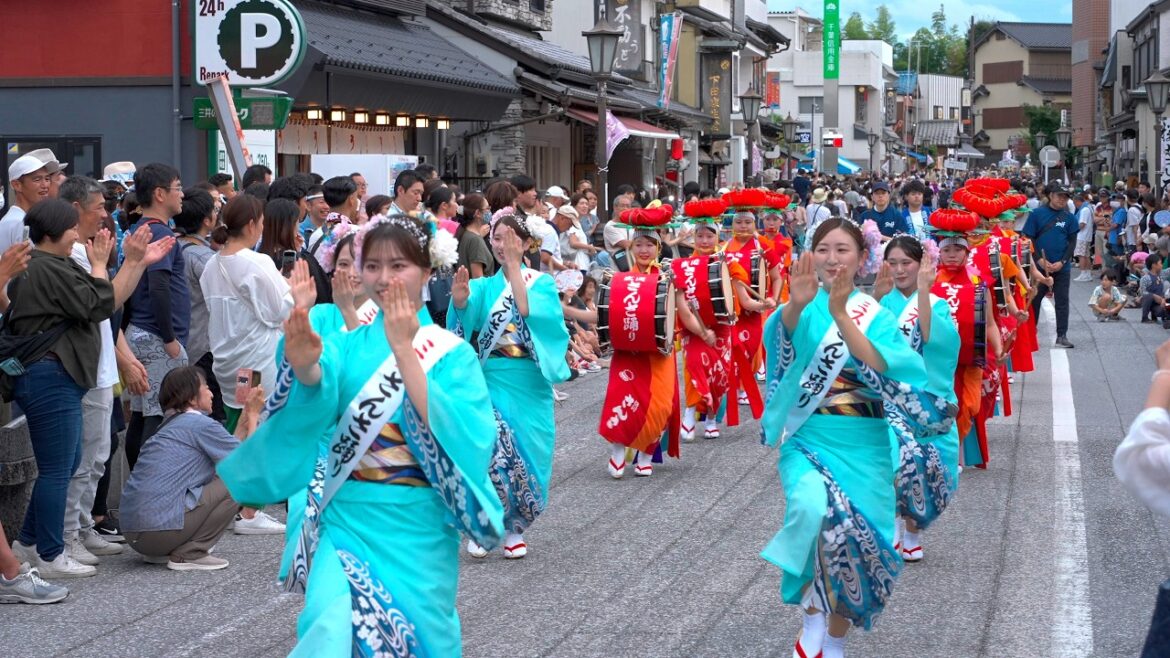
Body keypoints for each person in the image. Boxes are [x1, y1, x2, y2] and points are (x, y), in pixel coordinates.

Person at [217, 216, 505, 656]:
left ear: (427, 272)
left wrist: (405, 351)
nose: (383, 278)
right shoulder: (347, 345)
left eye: (398, 266)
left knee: (421, 638)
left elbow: (466, 435)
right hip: (349, 519)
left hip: (418, 525)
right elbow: (318, 388)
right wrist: (305, 364)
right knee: (329, 628)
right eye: (372, 266)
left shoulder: (451, 352)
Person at [760, 218, 952, 658]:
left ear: (862, 258)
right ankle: (811, 612)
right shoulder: (801, 304)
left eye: (843, 250)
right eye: (823, 249)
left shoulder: (874, 314)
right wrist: (794, 306)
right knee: (809, 509)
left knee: (858, 547)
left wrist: (843, 315)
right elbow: (781, 348)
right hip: (811, 439)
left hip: (866, 443)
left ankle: (835, 636)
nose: (832, 259)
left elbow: (888, 366)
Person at [8, 199, 171, 578]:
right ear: (53, 232)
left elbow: (108, 300)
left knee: (61, 465)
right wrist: (109, 264)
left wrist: (134, 263)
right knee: (57, 468)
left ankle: (30, 542)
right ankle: (50, 553)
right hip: (51, 374)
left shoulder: (54, 264)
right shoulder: (48, 267)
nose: (77, 235)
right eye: (71, 229)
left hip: (54, 374)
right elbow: (101, 303)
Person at [449, 212, 570, 559]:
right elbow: (464, 324)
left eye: (510, 238)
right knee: (490, 451)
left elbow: (528, 310)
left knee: (531, 454)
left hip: (529, 380)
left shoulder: (542, 283)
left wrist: (517, 268)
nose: (502, 245)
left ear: (526, 243)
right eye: (497, 238)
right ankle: (486, 523)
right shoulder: (484, 286)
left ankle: (514, 528)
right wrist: (459, 302)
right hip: (493, 378)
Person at [563, 205, 685, 478]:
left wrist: (701, 330)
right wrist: (568, 311)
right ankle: (619, 452)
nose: (643, 250)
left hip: (659, 354)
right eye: (638, 244)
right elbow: (601, 315)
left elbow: (683, 311)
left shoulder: (668, 278)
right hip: (628, 353)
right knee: (625, 398)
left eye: (649, 245)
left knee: (660, 405)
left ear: (658, 247)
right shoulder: (620, 280)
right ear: (631, 247)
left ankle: (644, 456)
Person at [120, 367, 264, 570]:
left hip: (135, 535)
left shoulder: (168, 425)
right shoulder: (200, 424)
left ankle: (171, 547)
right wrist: (255, 416)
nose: (212, 392)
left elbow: (232, 451)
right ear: (192, 398)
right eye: (206, 387)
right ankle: (192, 553)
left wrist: (245, 420)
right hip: (159, 533)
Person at [872, 235, 961, 563]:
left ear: (921, 264)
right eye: (892, 263)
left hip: (928, 400)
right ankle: (895, 525)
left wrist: (924, 290)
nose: (898, 270)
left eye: (905, 263)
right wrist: (874, 298)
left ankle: (913, 530)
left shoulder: (937, 302)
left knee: (931, 466)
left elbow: (932, 339)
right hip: (891, 397)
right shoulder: (882, 301)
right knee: (896, 461)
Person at [123, 163, 192, 470]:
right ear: (160, 194)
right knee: (159, 415)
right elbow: (159, 287)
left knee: (143, 413)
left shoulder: (142, 230)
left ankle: (137, 491)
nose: (182, 195)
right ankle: (147, 490)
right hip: (156, 337)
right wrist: (169, 338)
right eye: (178, 188)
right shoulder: (159, 233)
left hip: (141, 333)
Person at [932, 210, 1004, 470]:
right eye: (946, 249)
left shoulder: (977, 283)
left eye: (957, 249)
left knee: (967, 406)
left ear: (966, 252)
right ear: (938, 252)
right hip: (935, 362)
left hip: (969, 360)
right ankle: (942, 456)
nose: (951, 254)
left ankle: (956, 454)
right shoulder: (928, 280)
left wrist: (998, 349)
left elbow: (991, 323)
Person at [174, 187, 225, 421]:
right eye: (215, 210)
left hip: (184, 341)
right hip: (204, 345)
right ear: (207, 220)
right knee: (210, 411)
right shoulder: (204, 257)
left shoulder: (174, 246)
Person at [1022, 184, 1078, 348]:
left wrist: (1063, 261)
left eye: (1065, 197)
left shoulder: (1069, 217)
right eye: (1059, 195)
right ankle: (1031, 334)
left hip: (1062, 268)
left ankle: (1062, 335)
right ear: (1051, 195)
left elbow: (1072, 242)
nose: (1062, 199)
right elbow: (1029, 238)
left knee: (1062, 301)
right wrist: (1038, 260)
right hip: (1039, 267)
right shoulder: (1036, 214)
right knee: (1035, 300)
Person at [0, 152, 59, 256]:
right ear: (17, 185)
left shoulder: (23, 219)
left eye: (47, 179)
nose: (45, 185)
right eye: (37, 179)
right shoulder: (18, 222)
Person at [454, 193, 494, 279]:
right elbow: (478, 279)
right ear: (478, 213)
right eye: (487, 208)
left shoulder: (464, 232)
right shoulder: (475, 240)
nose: (490, 211)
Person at [1074, 191, 1097, 281]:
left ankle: (1083, 273)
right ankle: (1087, 273)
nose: (1075, 205)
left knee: (1081, 255)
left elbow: (1082, 223)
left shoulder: (1084, 210)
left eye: (1075, 203)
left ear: (1078, 201)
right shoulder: (1089, 208)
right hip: (1087, 235)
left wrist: (1074, 230)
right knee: (1086, 255)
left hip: (1082, 235)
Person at [1140, 258, 1167, 325]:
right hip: (1150, 303)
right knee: (1148, 296)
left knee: (1164, 311)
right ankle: (1144, 317)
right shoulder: (1146, 278)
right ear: (1154, 265)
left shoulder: (1161, 275)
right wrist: (1154, 296)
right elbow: (1142, 292)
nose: (1162, 265)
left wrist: (1163, 299)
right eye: (1160, 263)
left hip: (1160, 303)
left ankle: (1159, 317)